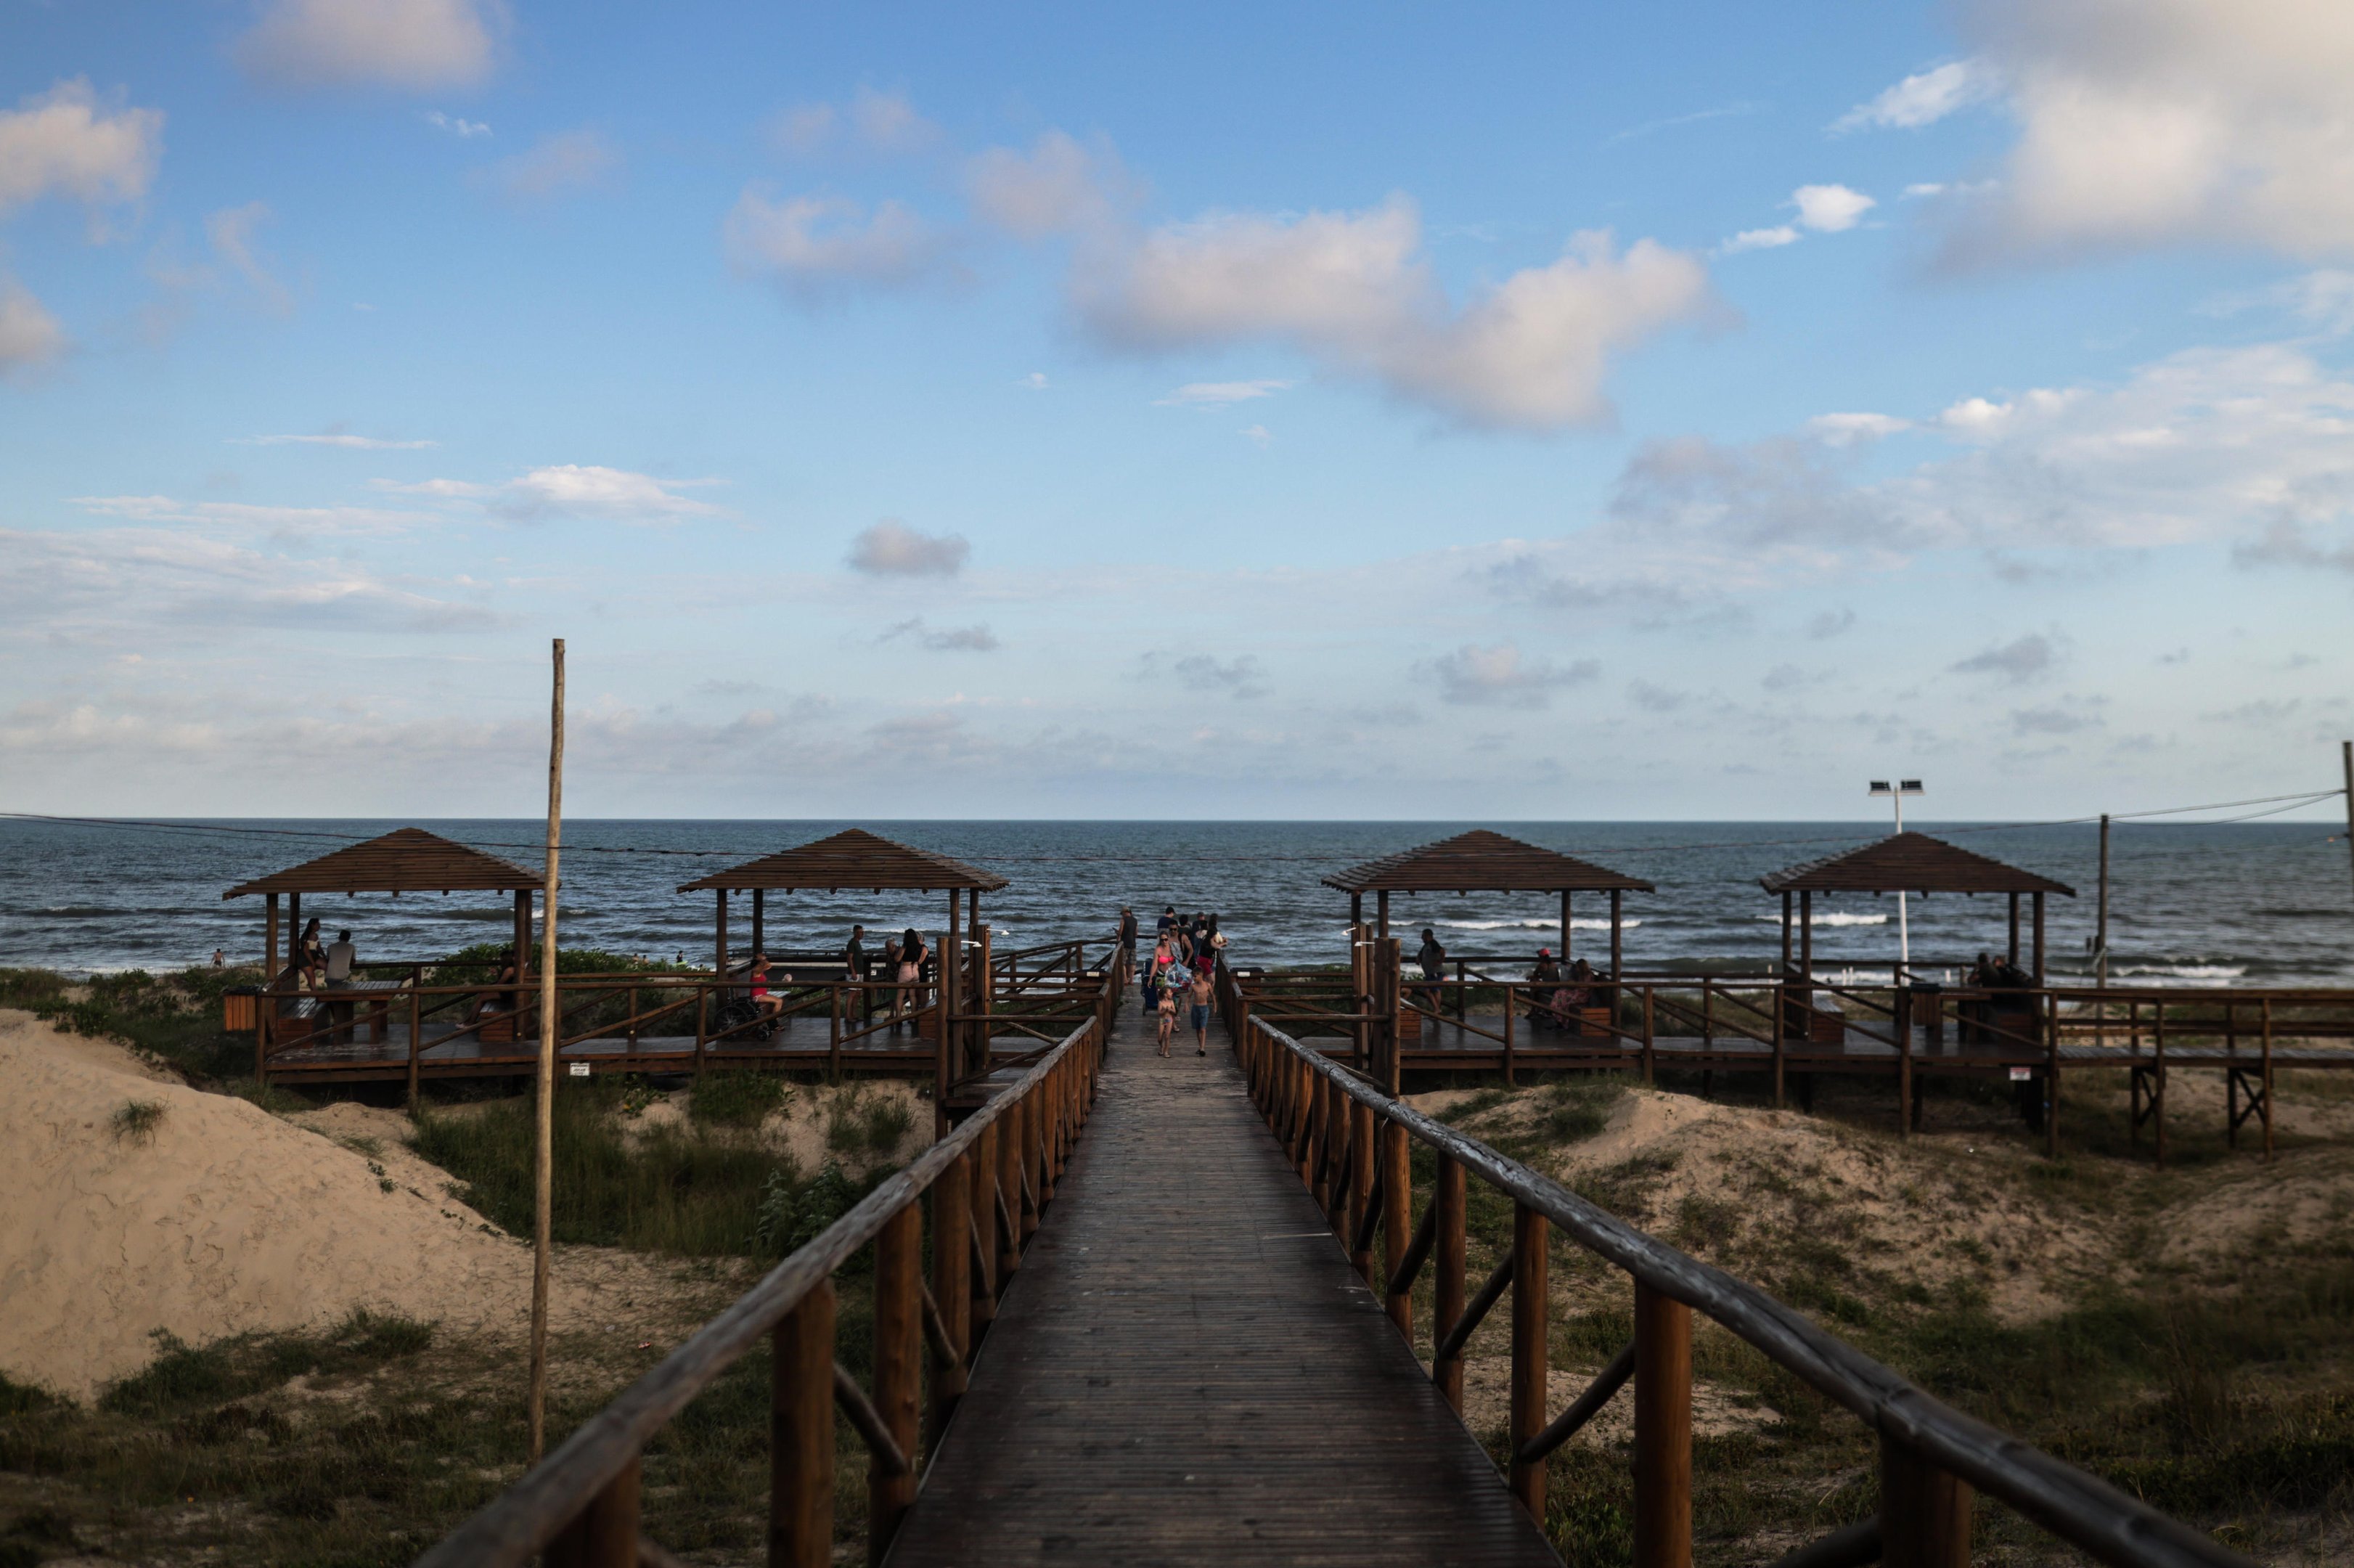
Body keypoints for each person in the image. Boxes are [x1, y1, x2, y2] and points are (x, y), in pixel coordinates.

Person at [896, 928, 927, 1028]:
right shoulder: (919, 947)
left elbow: (897, 959)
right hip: (915, 970)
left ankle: (898, 1018)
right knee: (912, 995)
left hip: (906, 969)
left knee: (900, 995)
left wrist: (898, 951)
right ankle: (914, 1017)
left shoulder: (905, 947)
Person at [1156, 961, 1185, 1055]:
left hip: (1169, 1019)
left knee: (1167, 1037)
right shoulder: (1161, 1003)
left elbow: (1174, 1012)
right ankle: (1161, 1046)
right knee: (1160, 1038)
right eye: (1170, 992)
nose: (1172, 993)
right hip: (1162, 1020)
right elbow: (1159, 1013)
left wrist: (1170, 1010)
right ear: (1165, 995)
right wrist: (1164, 1010)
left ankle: (1166, 1052)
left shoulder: (1171, 1002)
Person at [1417, 928, 1447, 1015]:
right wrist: (1418, 958)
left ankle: (1437, 1010)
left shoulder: (1433, 943)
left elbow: (1442, 951)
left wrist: (1440, 961)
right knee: (1427, 990)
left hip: (1436, 972)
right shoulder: (1426, 946)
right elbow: (1421, 953)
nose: (1422, 938)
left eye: (1423, 936)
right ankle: (1437, 1009)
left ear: (1428, 936)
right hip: (1429, 972)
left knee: (1435, 990)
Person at [748, 954, 787, 1023]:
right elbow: (768, 966)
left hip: (762, 994)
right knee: (779, 1001)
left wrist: (762, 959)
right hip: (757, 996)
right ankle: (774, 1021)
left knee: (778, 1002)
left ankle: (773, 1019)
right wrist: (763, 959)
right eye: (760, 963)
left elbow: (768, 966)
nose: (761, 964)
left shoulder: (759, 971)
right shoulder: (756, 971)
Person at [1189, 963, 1214, 1055]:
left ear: (1201, 975)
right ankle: (1200, 1047)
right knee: (1197, 1029)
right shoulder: (1193, 986)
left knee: (1203, 1029)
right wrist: (1186, 1005)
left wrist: (1215, 1006)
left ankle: (1202, 1048)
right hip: (1195, 1008)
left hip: (1204, 1008)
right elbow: (1188, 997)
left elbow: (1213, 996)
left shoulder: (1207, 985)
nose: (1194, 978)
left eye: (1195, 976)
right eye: (1193, 976)